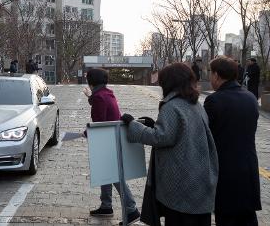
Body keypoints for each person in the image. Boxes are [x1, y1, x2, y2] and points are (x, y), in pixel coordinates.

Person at [121, 63, 218, 226]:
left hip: (182, 182)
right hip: (200, 178)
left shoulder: (172, 106)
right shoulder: (196, 104)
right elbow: (177, 133)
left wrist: (133, 125)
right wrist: (153, 125)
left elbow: (160, 137)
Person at [204, 56, 261, 226]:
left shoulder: (214, 100)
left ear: (217, 75)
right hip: (249, 168)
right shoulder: (250, 97)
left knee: (227, 218)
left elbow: (205, 135)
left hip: (226, 171)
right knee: (248, 218)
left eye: (210, 73)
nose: (209, 77)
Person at [83, 68, 140, 226]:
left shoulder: (99, 97)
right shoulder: (107, 93)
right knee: (105, 172)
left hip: (106, 139)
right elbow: (99, 103)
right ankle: (106, 206)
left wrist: (85, 133)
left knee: (113, 175)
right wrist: (90, 97)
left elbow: (99, 123)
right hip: (112, 138)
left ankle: (131, 209)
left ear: (91, 82)